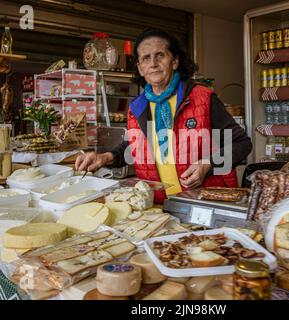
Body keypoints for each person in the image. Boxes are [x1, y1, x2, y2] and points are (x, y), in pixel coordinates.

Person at [76, 28, 252, 203]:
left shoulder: (202, 99)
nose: (153, 63)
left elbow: (242, 144)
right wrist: (106, 157)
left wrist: (207, 164)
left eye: (160, 55)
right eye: (145, 58)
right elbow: (134, 146)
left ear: (174, 61)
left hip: (205, 201)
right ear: (140, 68)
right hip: (160, 204)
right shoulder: (138, 107)